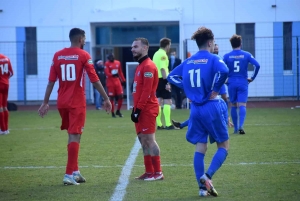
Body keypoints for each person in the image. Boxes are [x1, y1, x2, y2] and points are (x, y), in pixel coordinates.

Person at [38, 28, 112, 185]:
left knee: (74, 134)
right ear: (80, 39)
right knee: (75, 135)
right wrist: (106, 98)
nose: (85, 41)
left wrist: (45, 102)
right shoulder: (84, 55)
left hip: (62, 102)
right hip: (77, 102)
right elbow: (94, 79)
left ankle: (75, 171)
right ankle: (68, 174)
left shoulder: (57, 55)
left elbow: (51, 81)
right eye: (84, 39)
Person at [167, 27, 229, 197]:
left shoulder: (188, 61)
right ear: (210, 42)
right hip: (212, 105)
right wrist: (216, 88)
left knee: (200, 147)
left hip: (195, 108)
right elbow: (224, 71)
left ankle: (202, 190)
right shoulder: (214, 58)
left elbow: (171, 77)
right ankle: (207, 177)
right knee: (223, 146)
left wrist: (188, 89)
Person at [131, 37, 164, 181]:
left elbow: (147, 91)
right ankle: (149, 171)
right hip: (139, 109)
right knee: (142, 140)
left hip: (147, 109)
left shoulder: (149, 66)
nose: (132, 49)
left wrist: (138, 109)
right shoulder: (140, 66)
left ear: (145, 48)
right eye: (132, 47)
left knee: (150, 140)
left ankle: (158, 172)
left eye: (136, 46)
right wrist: (135, 109)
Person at [223, 34, 260, 134]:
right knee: (242, 104)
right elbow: (257, 65)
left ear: (231, 44)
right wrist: (252, 78)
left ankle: (235, 130)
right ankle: (241, 126)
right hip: (243, 82)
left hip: (231, 83)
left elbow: (221, 69)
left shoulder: (226, 56)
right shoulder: (246, 54)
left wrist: (224, 80)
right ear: (241, 44)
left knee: (234, 105)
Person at [153, 38, 176, 130]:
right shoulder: (163, 55)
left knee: (158, 101)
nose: (169, 47)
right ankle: (168, 124)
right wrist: (167, 82)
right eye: (169, 45)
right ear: (167, 45)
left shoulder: (156, 54)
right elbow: (163, 68)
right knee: (168, 101)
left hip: (156, 80)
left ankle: (159, 124)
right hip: (163, 79)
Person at [104, 53, 126, 118]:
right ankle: (112, 112)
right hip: (110, 83)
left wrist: (123, 80)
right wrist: (112, 75)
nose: (111, 58)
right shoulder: (107, 64)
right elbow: (107, 73)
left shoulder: (118, 63)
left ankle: (118, 110)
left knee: (121, 96)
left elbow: (120, 72)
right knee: (111, 97)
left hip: (117, 82)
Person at [0, 53, 14, 135]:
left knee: (0, 107)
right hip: (6, 84)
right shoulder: (6, 58)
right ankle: (6, 129)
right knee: (5, 106)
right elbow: (11, 73)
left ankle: (2, 129)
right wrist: (5, 79)